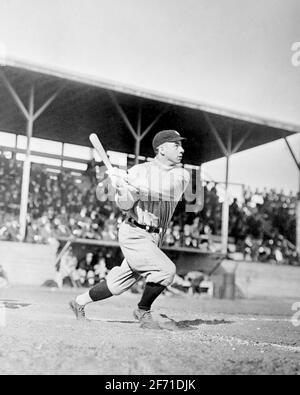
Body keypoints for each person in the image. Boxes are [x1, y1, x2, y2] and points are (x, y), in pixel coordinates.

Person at [69, 130, 190, 329]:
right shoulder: (138, 171)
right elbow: (125, 205)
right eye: (176, 145)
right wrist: (121, 188)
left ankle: (79, 302)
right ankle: (142, 310)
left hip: (155, 236)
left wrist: (130, 181)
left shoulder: (181, 173)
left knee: (117, 284)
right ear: (161, 149)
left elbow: (167, 190)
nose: (181, 149)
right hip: (134, 232)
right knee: (166, 271)